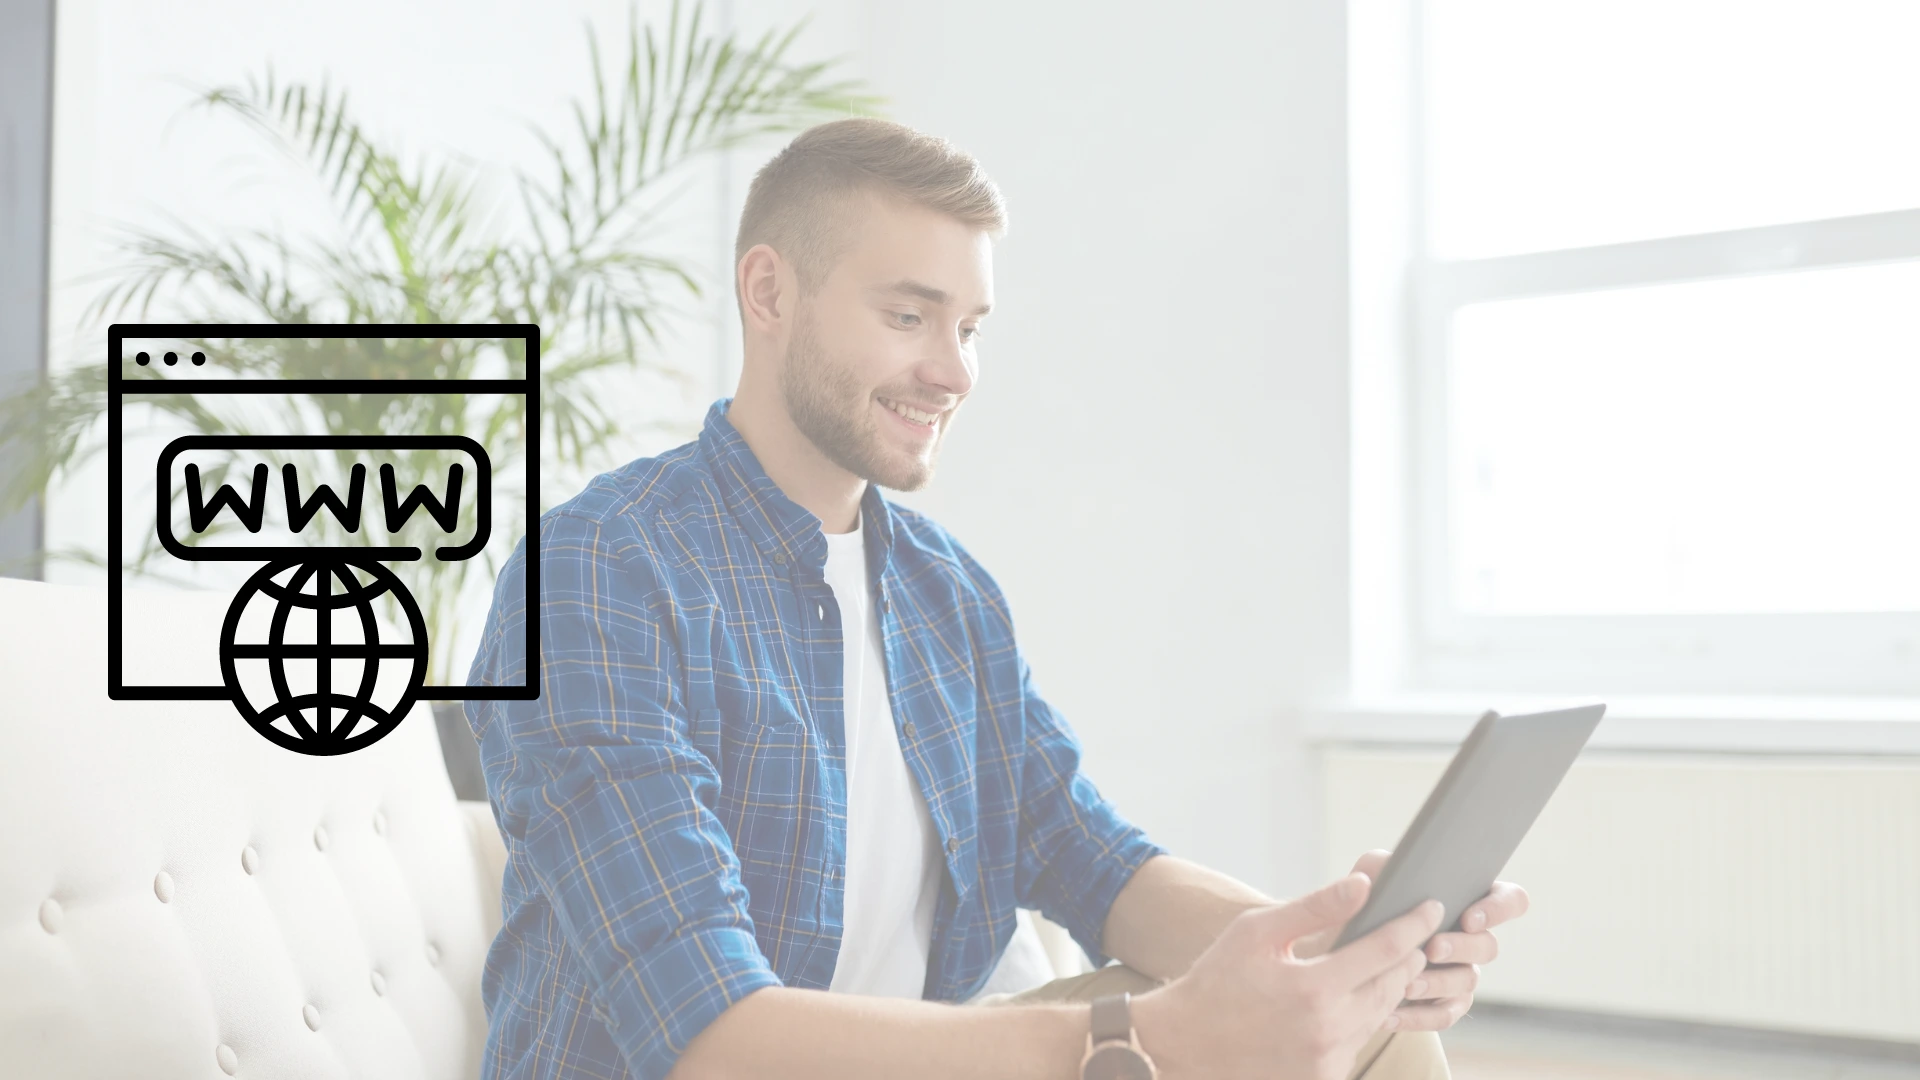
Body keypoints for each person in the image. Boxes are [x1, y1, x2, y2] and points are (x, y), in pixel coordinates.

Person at [464, 117, 1529, 1080]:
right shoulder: (600, 575)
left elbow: (1094, 861)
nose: (955, 370)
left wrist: (1335, 953)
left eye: (969, 327)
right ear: (770, 292)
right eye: (909, 316)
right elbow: (708, 1036)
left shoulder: (945, 593)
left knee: (1381, 1033)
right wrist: (1138, 1038)